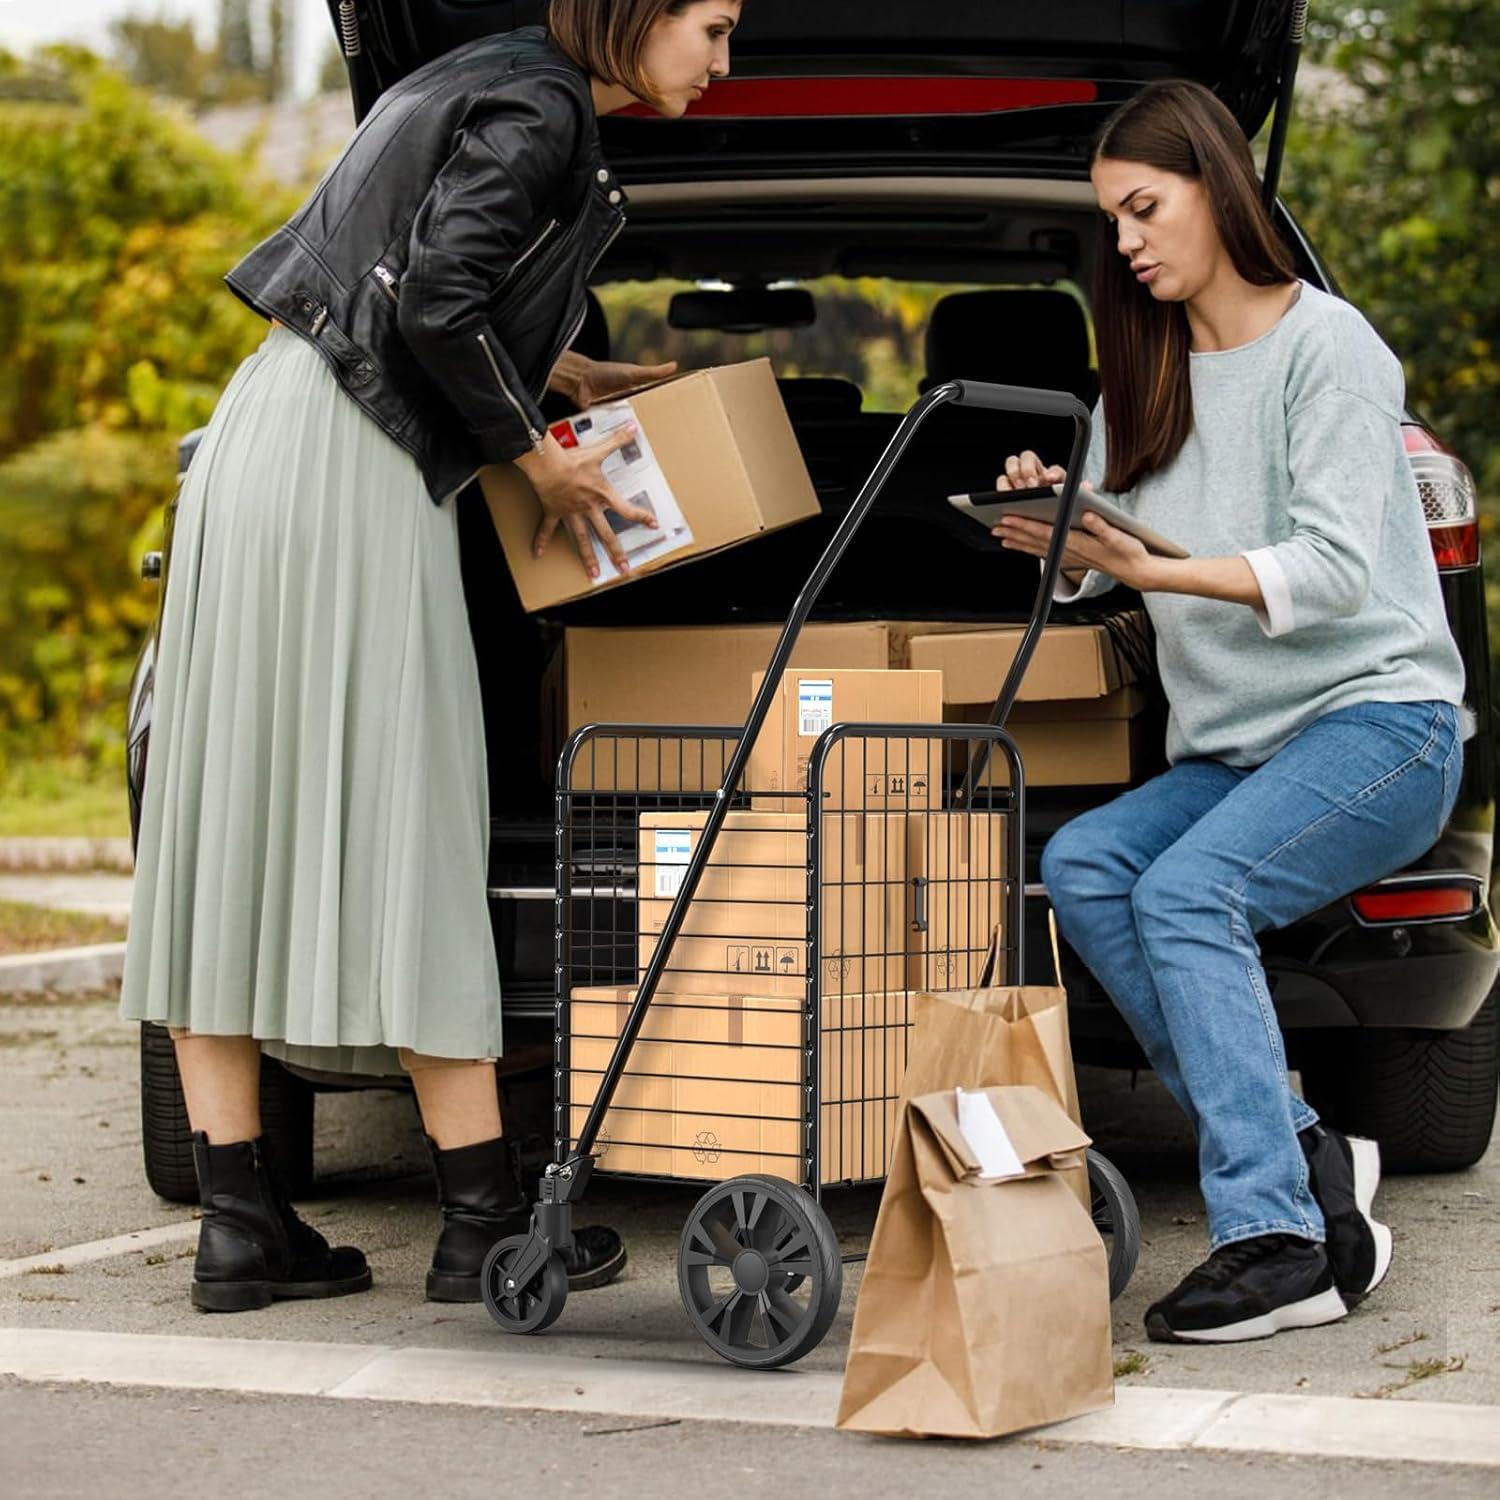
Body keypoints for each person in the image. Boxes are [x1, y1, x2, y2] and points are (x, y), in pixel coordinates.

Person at [121, 0, 742, 1313]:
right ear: (638, 12)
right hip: (358, 454)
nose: (725, 62)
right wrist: (535, 462)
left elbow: (414, 277)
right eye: (715, 26)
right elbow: (437, 295)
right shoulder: (549, 106)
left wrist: (557, 372)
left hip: (266, 433)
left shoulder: (483, 76)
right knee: (416, 809)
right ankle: (482, 1218)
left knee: (231, 813)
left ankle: (240, 1225)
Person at [992, 79, 1467, 1344]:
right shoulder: (1145, 369)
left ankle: (1278, 1242)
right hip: (1243, 748)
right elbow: (1119, 553)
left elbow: (1333, 569)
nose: (1130, 239)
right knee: (1090, 863)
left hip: (1380, 726)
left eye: (1145, 208)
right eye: (1115, 221)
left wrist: (1158, 572)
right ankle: (1303, 1153)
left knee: (1185, 894)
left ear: (1216, 184)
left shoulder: (1332, 349)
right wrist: (1067, 525)